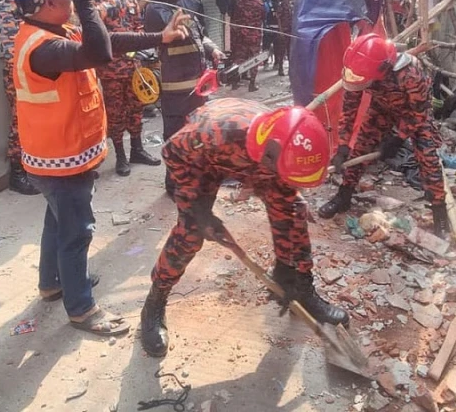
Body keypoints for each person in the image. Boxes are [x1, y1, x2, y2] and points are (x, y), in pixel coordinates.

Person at [7, 0, 189, 336]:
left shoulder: (54, 32)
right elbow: (99, 52)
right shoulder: (42, 47)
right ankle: (82, 309)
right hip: (59, 159)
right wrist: (85, 0)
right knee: (76, 232)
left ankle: (53, 284)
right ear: (48, 1)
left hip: (55, 158)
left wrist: (162, 36)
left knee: (57, 224)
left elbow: (110, 39)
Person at [140, 99, 349, 357]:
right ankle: (155, 300)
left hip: (267, 162)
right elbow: (171, 152)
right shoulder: (213, 133)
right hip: (202, 162)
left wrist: (287, 265)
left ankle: (302, 288)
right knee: (190, 235)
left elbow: (285, 198)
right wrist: (198, 208)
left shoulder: (283, 143)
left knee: (293, 212)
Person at [318, 34, 449, 238]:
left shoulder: (410, 75)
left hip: (413, 114)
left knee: (428, 160)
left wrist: (398, 138)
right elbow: (349, 108)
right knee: (360, 148)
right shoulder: (359, 70)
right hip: (381, 109)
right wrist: (343, 145)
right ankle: (343, 196)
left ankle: (440, 213)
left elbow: (419, 112)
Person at [143, 0, 224, 196]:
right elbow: (179, 30)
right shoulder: (156, 10)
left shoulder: (187, 2)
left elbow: (200, 34)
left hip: (197, 85)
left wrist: (213, 49)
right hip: (175, 90)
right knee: (176, 136)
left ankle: (195, 176)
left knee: (197, 134)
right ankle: (174, 183)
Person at [91, 0, 160, 176]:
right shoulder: (95, 4)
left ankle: (137, 150)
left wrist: (140, 55)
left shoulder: (129, 0)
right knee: (116, 114)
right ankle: (120, 156)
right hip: (110, 70)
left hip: (133, 68)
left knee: (136, 109)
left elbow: (137, 28)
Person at [0, 0, 39, 195]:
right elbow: (11, 47)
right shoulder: (8, 2)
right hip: (19, 73)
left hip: (36, 71)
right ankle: (17, 173)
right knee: (20, 122)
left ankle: (35, 169)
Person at [228, 0, 264, 92]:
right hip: (255, 36)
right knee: (254, 59)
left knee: (238, 58)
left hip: (240, 35)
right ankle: (252, 84)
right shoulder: (260, 4)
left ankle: (234, 82)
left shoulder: (237, 1)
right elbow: (263, 18)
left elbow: (231, 15)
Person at [276, 0, 295, 76]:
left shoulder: (291, 5)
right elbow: (278, 18)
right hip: (284, 30)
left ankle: (290, 70)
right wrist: (280, 31)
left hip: (291, 31)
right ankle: (280, 68)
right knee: (282, 51)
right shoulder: (282, 5)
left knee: (290, 51)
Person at [264, 0, 281, 70]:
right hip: (268, 28)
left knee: (278, 47)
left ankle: (277, 63)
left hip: (278, 30)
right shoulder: (267, 4)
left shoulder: (281, 5)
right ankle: (265, 62)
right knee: (266, 47)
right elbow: (264, 15)